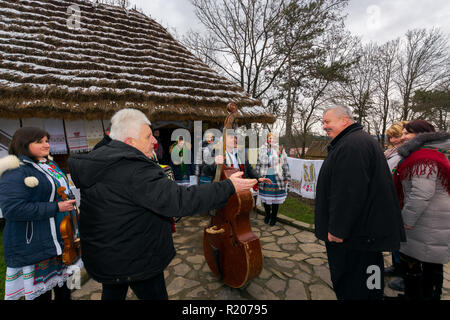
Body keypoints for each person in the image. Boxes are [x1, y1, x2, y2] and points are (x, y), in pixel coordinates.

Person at [67, 108, 257, 300]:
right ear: (129, 142)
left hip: (108, 254)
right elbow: (179, 200)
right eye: (148, 136)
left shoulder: (102, 156)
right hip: (136, 258)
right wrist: (228, 186)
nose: (155, 141)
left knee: (113, 292)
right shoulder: (133, 169)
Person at [314, 105, 405, 300]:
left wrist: (338, 229)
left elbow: (349, 192)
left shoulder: (352, 145)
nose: (324, 126)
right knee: (369, 282)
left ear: (344, 120)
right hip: (364, 235)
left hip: (355, 238)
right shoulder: (356, 141)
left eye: (327, 121)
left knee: (355, 285)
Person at [0, 127, 81, 300]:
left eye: (46, 140)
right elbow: (12, 209)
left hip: (62, 240)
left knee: (66, 290)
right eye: (39, 142)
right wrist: (56, 207)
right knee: (42, 296)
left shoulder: (49, 164)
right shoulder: (15, 169)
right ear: (24, 144)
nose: (46, 145)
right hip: (35, 244)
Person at [393, 120, 450, 300]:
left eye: (406, 133)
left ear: (421, 135)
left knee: (421, 266)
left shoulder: (423, 158)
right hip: (430, 220)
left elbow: (421, 193)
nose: (402, 137)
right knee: (430, 265)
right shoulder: (431, 153)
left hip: (425, 221)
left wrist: (406, 221)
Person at [383, 121, 409, 291]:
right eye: (391, 136)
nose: (394, 140)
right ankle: (396, 265)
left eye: (397, 135)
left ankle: (404, 274)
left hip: (402, 201)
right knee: (395, 237)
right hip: (391, 199)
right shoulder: (390, 153)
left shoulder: (406, 154)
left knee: (404, 239)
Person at [255, 132, 291, 226]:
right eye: (270, 138)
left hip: (277, 177)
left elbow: (285, 164)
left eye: (274, 138)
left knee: (275, 199)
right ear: (267, 139)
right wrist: (257, 177)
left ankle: (274, 217)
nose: (272, 140)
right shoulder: (263, 149)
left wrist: (287, 177)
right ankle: (267, 215)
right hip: (265, 176)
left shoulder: (280, 150)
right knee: (266, 199)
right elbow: (258, 163)